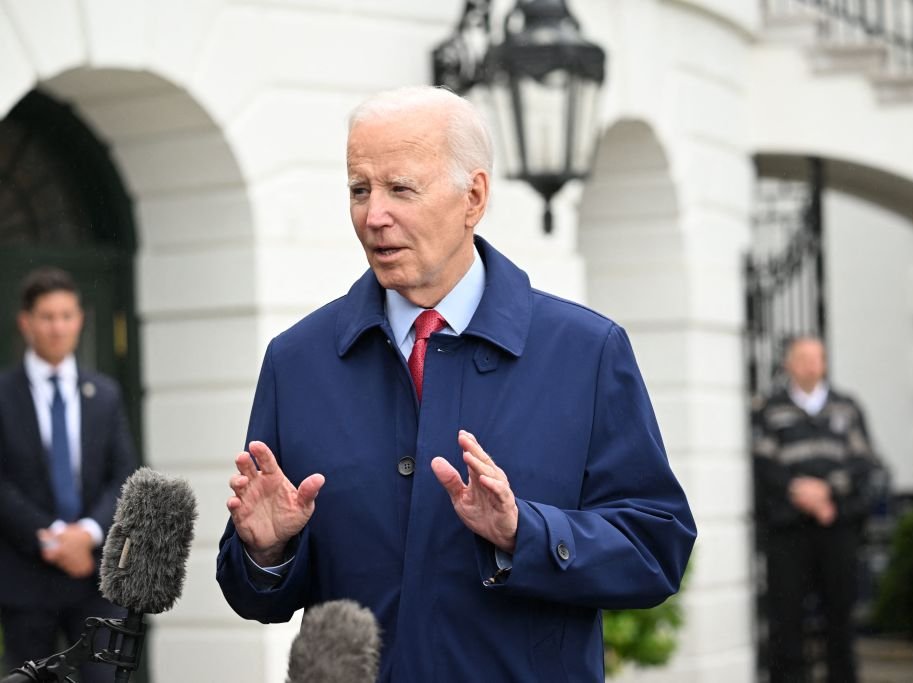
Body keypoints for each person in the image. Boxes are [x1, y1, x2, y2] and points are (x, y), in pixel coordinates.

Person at [216, 86, 696, 682]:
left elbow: (657, 549)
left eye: (400, 189)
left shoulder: (585, 352)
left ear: (473, 197)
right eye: (359, 189)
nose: (374, 215)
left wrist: (525, 532)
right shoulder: (297, 361)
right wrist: (267, 552)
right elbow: (252, 593)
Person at [0, 268, 138, 682]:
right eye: (47, 317)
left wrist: (89, 534)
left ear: (80, 320)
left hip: (95, 575)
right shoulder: (3, 396)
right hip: (26, 576)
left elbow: (124, 475)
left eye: (66, 315)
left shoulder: (105, 394)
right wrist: (53, 537)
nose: (58, 327)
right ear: (26, 322)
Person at [752, 336, 883, 683]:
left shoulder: (846, 407)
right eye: (803, 358)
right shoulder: (772, 409)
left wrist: (826, 492)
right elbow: (764, 465)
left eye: (817, 358)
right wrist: (799, 491)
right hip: (788, 530)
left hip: (836, 525)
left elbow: (864, 462)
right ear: (789, 365)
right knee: (786, 616)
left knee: (839, 614)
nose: (811, 365)